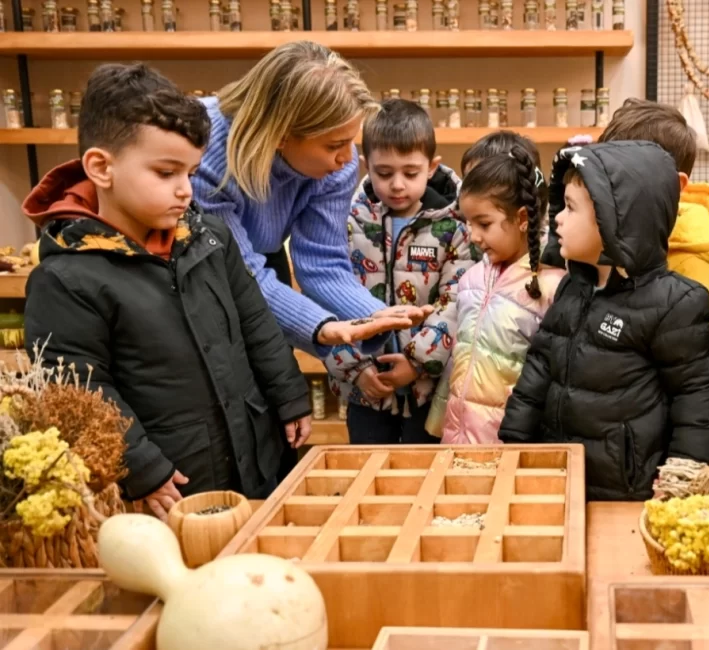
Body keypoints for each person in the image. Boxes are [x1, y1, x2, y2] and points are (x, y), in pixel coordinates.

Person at [21, 63, 311, 519]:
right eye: (166, 173)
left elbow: (256, 322)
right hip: (172, 482)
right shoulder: (65, 280)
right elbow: (82, 391)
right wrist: (142, 467)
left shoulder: (210, 237)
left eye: (190, 173)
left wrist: (289, 394)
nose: (186, 191)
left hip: (257, 453)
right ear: (101, 167)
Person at [499, 141, 709, 501]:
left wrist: (680, 482)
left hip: (625, 490)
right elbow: (540, 366)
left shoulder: (674, 303)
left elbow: (696, 398)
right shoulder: (572, 287)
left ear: (615, 220)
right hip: (557, 475)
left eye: (571, 208)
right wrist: (515, 440)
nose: (557, 218)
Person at [190, 41, 427, 356]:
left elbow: (321, 259)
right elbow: (238, 271)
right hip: (199, 274)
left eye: (349, 142)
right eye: (334, 146)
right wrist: (319, 326)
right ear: (281, 135)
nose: (348, 159)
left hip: (260, 261)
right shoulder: (201, 153)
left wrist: (373, 314)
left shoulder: (336, 167)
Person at [325, 99, 475, 444]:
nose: (396, 185)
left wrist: (416, 362)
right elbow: (327, 300)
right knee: (368, 468)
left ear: (431, 167)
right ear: (366, 166)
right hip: (365, 390)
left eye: (410, 173)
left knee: (427, 470)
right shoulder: (345, 223)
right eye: (384, 173)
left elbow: (457, 301)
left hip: (427, 389)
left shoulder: (453, 227)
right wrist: (356, 369)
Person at [426, 145, 565, 444]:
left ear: (522, 217)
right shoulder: (471, 279)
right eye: (469, 223)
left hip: (513, 445)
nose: (474, 236)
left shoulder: (552, 287)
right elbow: (458, 359)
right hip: (458, 442)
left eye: (484, 224)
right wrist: (439, 423)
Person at [592, 98, 709, 324]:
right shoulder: (625, 232)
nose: (606, 183)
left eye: (624, 173)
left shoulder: (695, 269)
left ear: (674, 185)